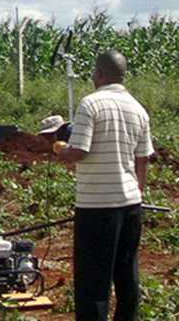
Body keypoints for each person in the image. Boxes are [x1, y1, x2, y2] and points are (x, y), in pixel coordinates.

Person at [55, 50, 154, 321]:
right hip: (131, 204)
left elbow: (81, 151)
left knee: (93, 282)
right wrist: (138, 194)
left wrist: (64, 152)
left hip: (97, 206)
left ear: (98, 74)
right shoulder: (138, 108)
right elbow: (143, 160)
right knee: (126, 274)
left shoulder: (90, 104)